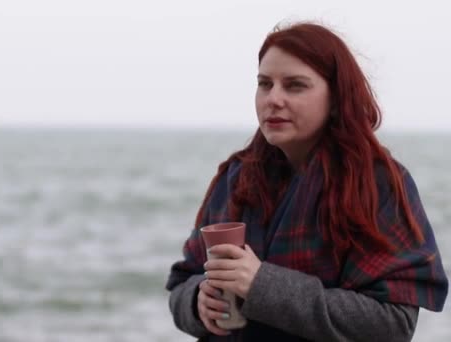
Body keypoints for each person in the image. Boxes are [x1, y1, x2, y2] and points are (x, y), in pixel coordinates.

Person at [166, 22, 448, 341]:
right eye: (264, 84)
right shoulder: (236, 177)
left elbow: (393, 324)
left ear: (336, 97)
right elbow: (182, 283)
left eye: (295, 85)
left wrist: (262, 285)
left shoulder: (376, 183)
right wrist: (197, 304)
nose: (273, 98)